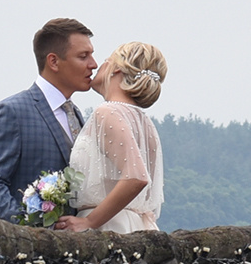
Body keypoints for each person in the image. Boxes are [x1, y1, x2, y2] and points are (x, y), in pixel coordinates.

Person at [0, 18, 96, 221]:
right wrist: (27, 229)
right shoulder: (11, 112)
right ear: (54, 61)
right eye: (83, 56)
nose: (93, 64)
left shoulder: (75, 114)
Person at [57, 42, 168, 233]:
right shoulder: (143, 122)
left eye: (106, 61)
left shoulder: (108, 112)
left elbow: (136, 177)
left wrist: (90, 222)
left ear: (116, 68)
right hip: (135, 224)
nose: (97, 66)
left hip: (108, 227)